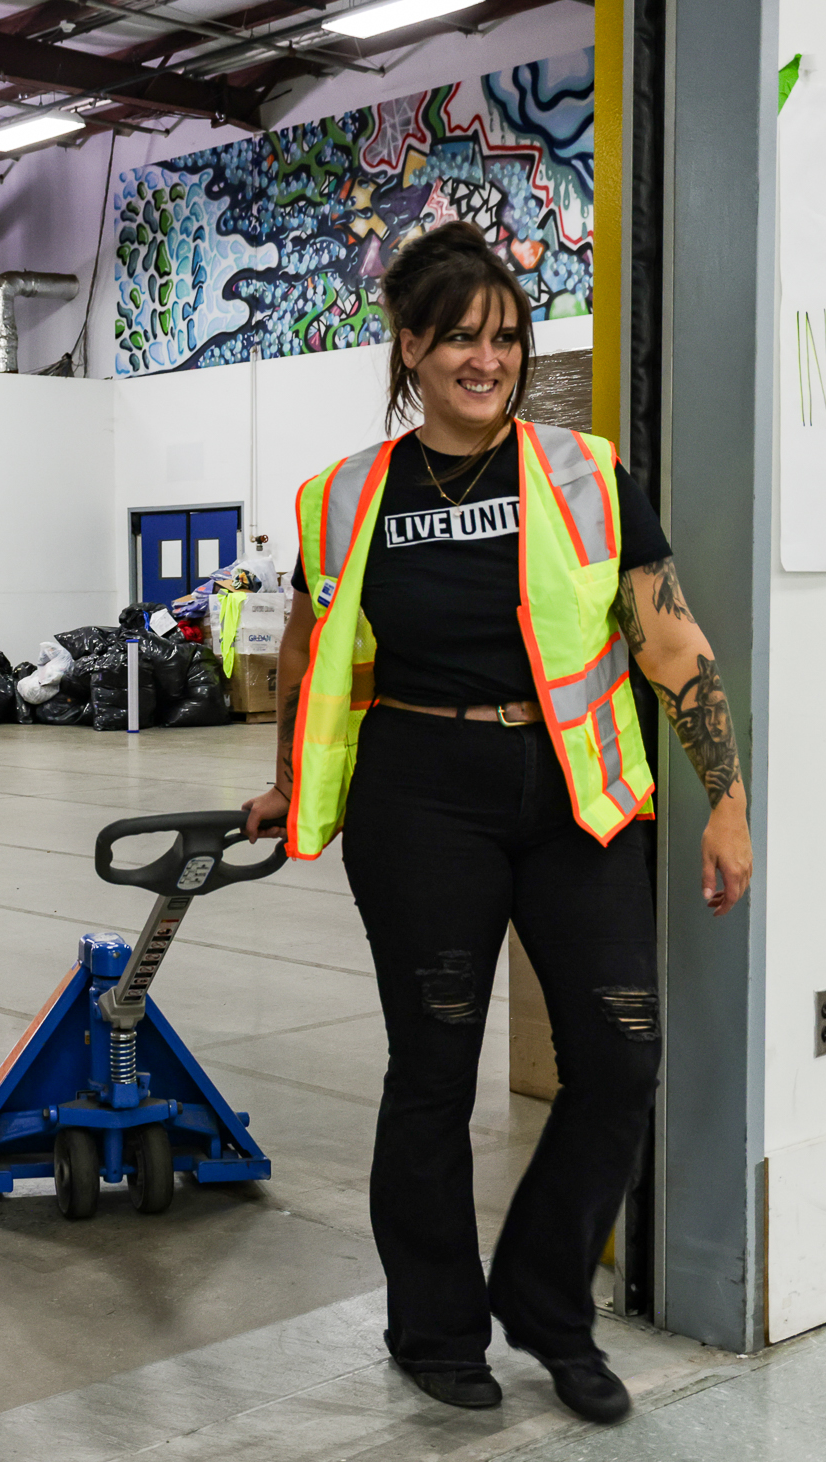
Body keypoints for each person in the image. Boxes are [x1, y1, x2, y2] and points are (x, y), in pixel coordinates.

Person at [242, 222, 752, 1424]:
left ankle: (544, 1299)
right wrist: (282, 774)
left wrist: (723, 797)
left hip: (573, 792)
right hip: (420, 793)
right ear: (409, 346)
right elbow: (313, 646)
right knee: (430, 1071)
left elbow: (667, 640)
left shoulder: (585, 471)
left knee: (620, 1059)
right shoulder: (342, 496)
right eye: (461, 337)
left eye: (507, 336)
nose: (489, 359)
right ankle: (432, 1326)